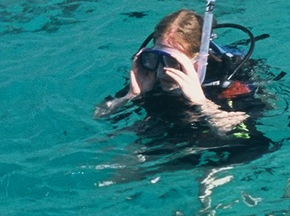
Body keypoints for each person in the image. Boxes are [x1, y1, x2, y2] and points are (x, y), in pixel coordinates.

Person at [92, 8, 271, 147]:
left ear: (199, 59)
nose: (163, 72)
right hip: (167, 132)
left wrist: (202, 102)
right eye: (158, 57)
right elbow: (98, 116)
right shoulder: (152, 73)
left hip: (217, 145)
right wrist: (131, 95)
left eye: (173, 61)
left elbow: (237, 133)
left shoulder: (227, 75)